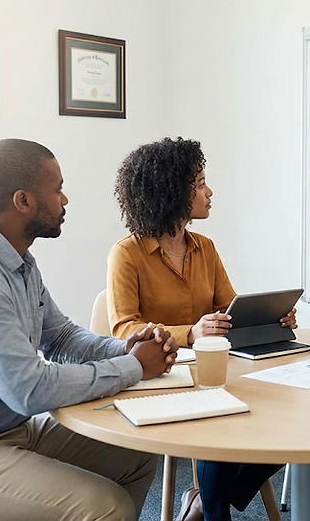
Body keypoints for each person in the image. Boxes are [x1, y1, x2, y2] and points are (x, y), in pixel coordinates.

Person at [0, 139, 178, 521]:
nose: (65, 199)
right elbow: (29, 389)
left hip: (7, 435)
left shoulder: (19, 262)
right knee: (106, 507)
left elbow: (60, 338)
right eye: (57, 189)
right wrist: (135, 368)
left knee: (138, 453)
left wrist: (124, 349)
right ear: (23, 201)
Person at [108, 137, 291, 521]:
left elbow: (230, 310)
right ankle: (212, 506)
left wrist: (272, 317)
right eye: (201, 183)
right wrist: (189, 333)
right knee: (217, 426)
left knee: (288, 421)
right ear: (174, 191)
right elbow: (124, 329)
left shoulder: (205, 247)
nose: (210, 192)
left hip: (214, 375)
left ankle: (206, 502)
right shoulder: (127, 254)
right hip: (160, 380)